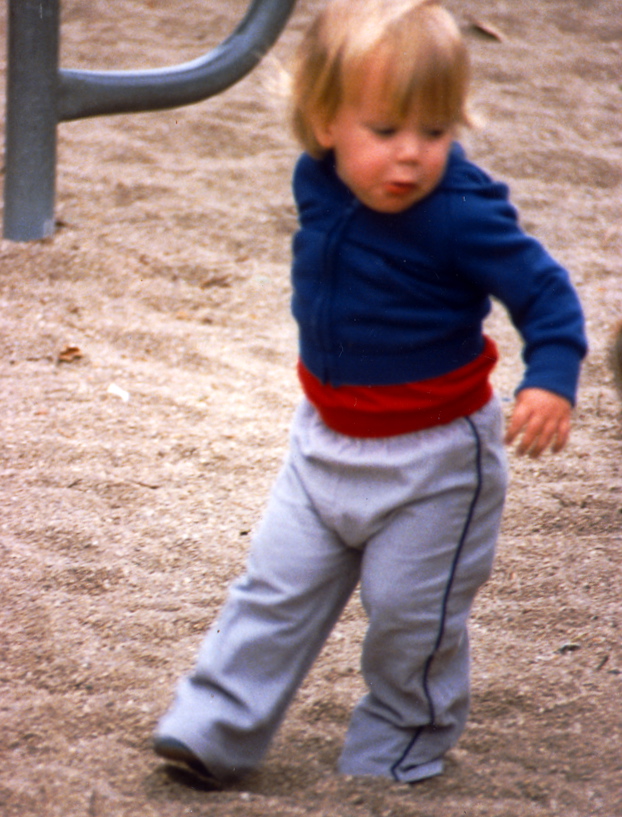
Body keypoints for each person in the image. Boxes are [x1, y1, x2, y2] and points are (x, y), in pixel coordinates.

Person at [154, 0, 587, 787]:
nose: (412, 154)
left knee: (409, 617)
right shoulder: (317, 179)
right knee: (273, 587)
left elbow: (546, 292)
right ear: (325, 122)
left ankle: (400, 742)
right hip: (322, 440)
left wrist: (551, 377)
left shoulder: (461, 213)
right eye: (385, 130)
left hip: (435, 463)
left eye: (435, 129)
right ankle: (213, 726)